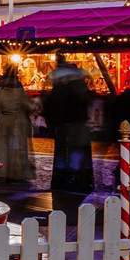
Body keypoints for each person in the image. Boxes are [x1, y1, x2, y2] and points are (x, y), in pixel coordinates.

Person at [44, 58, 94, 195]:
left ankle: (62, 180)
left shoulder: (58, 89)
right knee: (76, 153)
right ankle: (77, 179)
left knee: (62, 153)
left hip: (62, 125)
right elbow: (85, 103)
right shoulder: (79, 87)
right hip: (76, 125)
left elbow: (49, 107)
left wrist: (52, 123)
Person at [0, 66, 35, 182]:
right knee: (16, 148)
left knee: (2, 147)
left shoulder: (0, 90)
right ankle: (15, 172)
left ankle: (1, 170)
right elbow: (28, 106)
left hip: (2, 121)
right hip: (17, 122)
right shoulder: (19, 90)